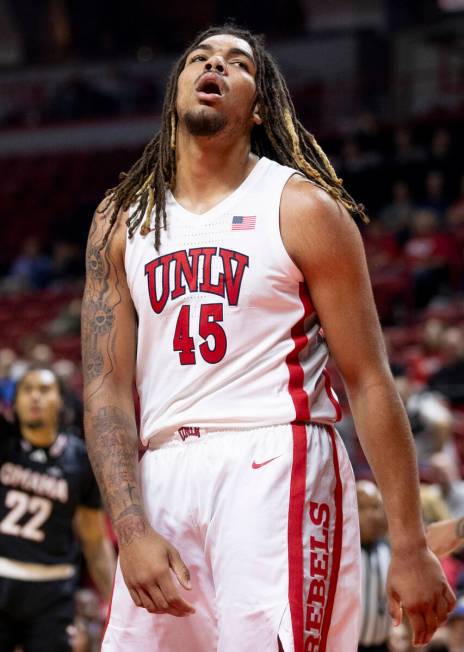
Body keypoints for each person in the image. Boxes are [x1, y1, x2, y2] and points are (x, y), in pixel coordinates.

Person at [81, 25, 455, 652]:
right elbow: (106, 389)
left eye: (237, 63)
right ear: (177, 87)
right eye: (200, 57)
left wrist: (410, 543)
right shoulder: (121, 217)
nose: (215, 66)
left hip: (276, 458)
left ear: (258, 108)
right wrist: (131, 525)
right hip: (164, 467)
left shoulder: (303, 207)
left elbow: (368, 380)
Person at [0, 365, 115, 651]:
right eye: (27, 390)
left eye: (44, 390)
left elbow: (94, 539)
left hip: (52, 588)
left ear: (61, 401)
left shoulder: (80, 459)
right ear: (14, 403)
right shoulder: (3, 442)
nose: (35, 397)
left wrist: (115, 601)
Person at [357, 481, 391, 652]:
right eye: (361, 507)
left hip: (382, 645)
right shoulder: (339, 552)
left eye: (375, 507)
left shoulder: (390, 550)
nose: (370, 514)